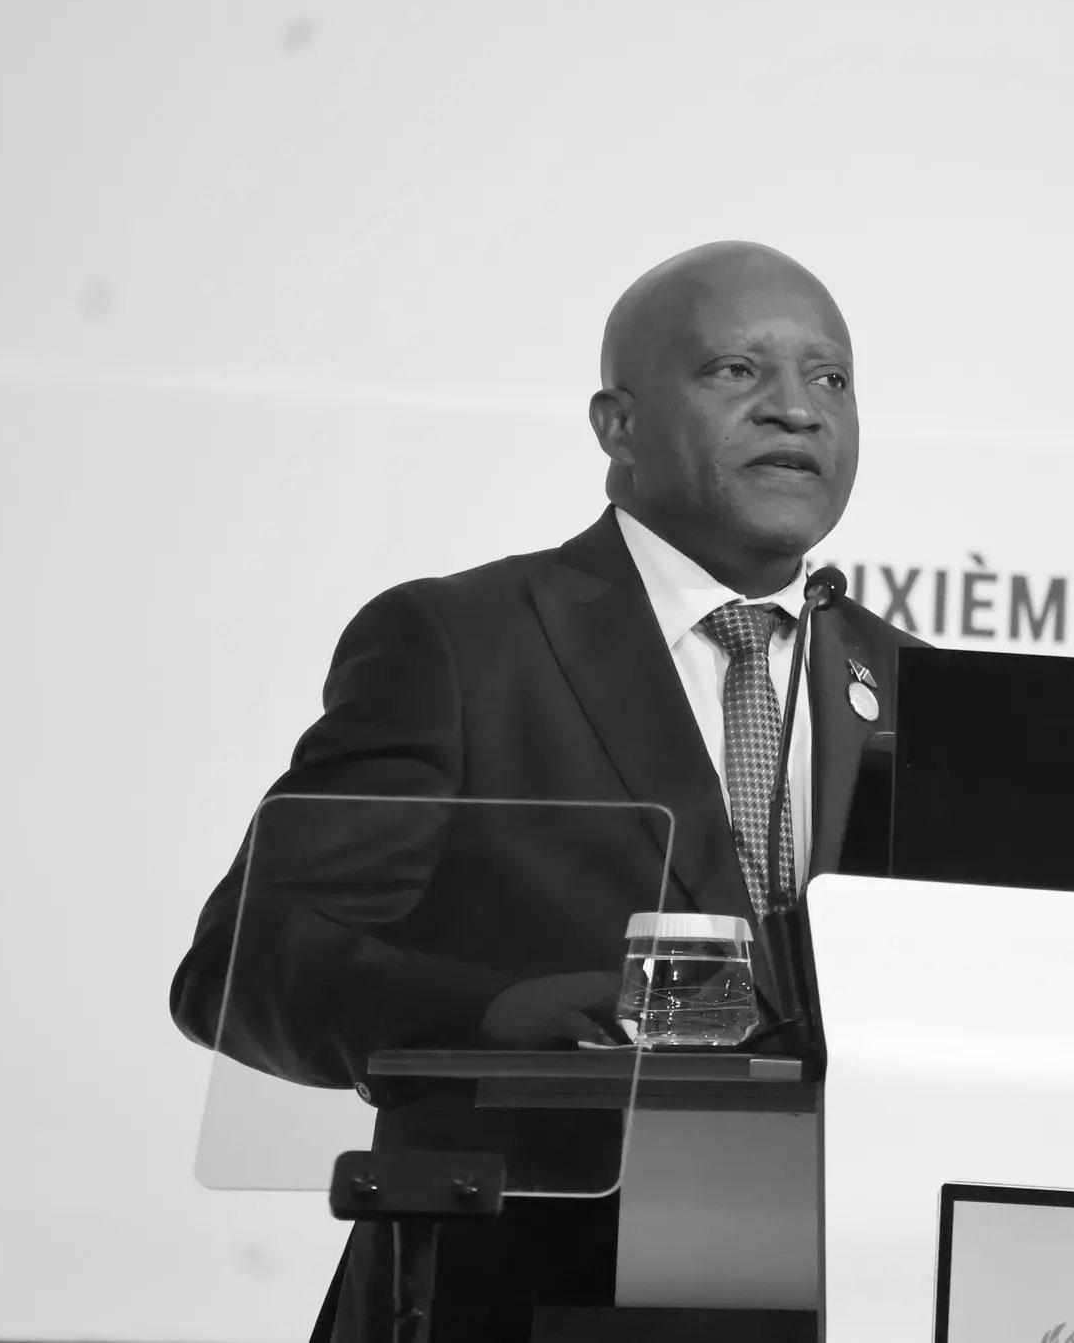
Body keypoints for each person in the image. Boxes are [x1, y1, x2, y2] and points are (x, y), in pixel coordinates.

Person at [169, 241, 921, 1341]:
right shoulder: (463, 644)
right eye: (735, 370)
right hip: (512, 1290)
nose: (796, 409)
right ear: (617, 426)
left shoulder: (910, 687)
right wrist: (493, 1014)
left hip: (837, 1292)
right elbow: (246, 962)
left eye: (831, 378)